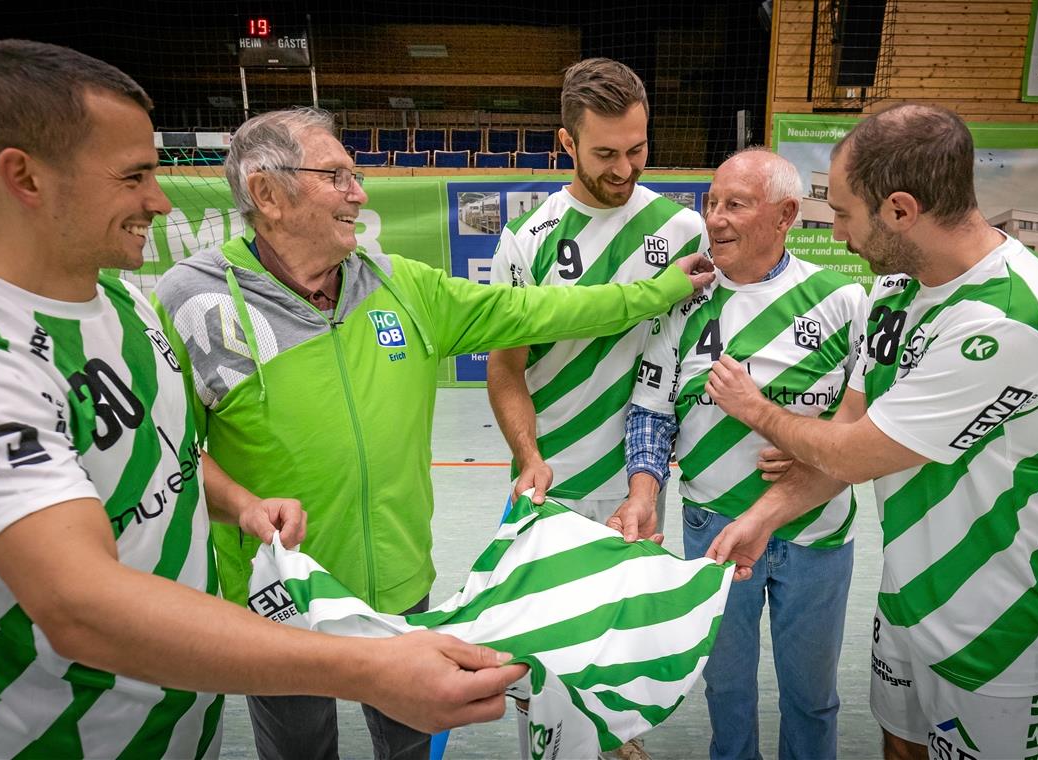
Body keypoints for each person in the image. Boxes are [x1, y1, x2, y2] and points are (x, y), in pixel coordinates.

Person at [0, 39, 532, 760]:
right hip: (61, 739)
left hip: (177, 719)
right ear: (24, 177)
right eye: (134, 175)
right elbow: (80, 607)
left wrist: (237, 501)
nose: (159, 199)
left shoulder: (125, 306)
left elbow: (168, 453)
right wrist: (370, 667)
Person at [150, 106, 714, 760]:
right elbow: (174, 451)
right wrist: (246, 506)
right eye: (336, 177)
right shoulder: (191, 299)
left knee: (408, 748)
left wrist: (656, 291)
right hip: (281, 595)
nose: (359, 193)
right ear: (267, 195)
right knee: (299, 752)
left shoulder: (401, 285)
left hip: (400, 586)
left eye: (355, 175)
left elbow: (541, 309)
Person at [703, 104, 1038, 760]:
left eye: (847, 213)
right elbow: (854, 426)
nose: (838, 230)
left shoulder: (1010, 317)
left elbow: (854, 454)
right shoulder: (896, 290)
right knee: (901, 747)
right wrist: (766, 516)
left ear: (902, 210)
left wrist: (759, 410)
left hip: (998, 619)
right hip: (908, 595)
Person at [614, 148, 866, 760]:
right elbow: (651, 411)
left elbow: (873, 411)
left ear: (784, 215)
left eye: (736, 204)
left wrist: (821, 447)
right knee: (725, 687)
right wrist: (643, 492)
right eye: (711, 203)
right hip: (715, 529)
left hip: (817, 531)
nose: (716, 219)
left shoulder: (844, 300)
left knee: (812, 696)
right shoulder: (682, 302)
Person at [487, 57, 707, 534]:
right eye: (606, 153)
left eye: (637, 148)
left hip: (641, 484)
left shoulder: (686, 231)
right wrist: (528, 457)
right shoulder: (527, 239)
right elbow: (506, 366)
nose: (625, 169)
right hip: (550, 480)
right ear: (568, 142)